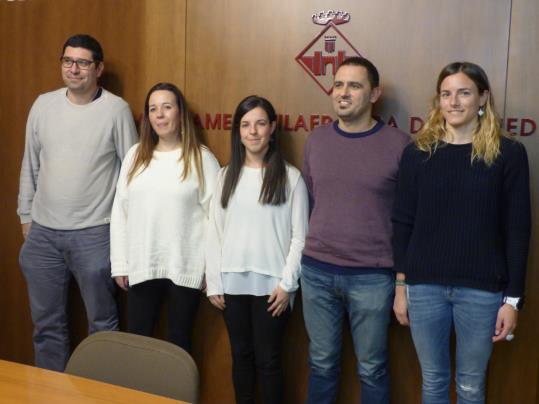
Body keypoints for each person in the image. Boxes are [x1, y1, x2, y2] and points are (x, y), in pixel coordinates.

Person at [392, 61, 530, 404]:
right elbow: (402, 223)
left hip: (481, 291)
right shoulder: (417, 154)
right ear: (438, 101)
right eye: (446, 94)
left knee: (470, 386)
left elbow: (517, 230)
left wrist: (512, 300)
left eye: (464, 93)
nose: (454, 102)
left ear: (482, 98)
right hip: (423, 288)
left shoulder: (508, 154)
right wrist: (400, 286)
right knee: (433, 383)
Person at [17, 34, 138, 371]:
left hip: (95, 235)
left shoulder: (116, 110)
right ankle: (51, 392)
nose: (74, 69)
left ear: (98, 69)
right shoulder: (43, 104)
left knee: (102, 327)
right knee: (46, 328)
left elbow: (131, 175)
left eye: (83, 63)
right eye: (68, 61)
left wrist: (122, 236)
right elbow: (30, 164)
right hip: (43, 234)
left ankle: (102, 393)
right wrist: (26, 217)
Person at [301, 56, 410, 404]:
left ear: (375, 93)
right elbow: (312, 201)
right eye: (338, 84)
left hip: (373, 278)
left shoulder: (399, 145)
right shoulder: (316, 140)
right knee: (321, 364)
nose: (343, 93)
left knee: (372, 368)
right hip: (316, 272)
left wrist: (401, 283)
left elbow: (408, 218)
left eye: (354, 85)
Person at [205, 95, 309, 404]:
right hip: (232, 284)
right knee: (241, 357)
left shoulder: (291, 178)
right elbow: (214, 232)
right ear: (237, 131)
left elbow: (300, 237)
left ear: (272, 128)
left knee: (269, 360)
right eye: (245, 125)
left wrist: (287, 285)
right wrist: (214, 281)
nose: (253, 132)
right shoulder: (225, 176)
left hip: (273, 289)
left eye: (260, 124)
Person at [110, 82, 219, 353]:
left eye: (167, 107)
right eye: (153, 109)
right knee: (137, 342)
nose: (159, 115)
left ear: (180, 113)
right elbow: (120, 211)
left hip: (186, 266)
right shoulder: (135, 156)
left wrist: (212, 269)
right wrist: (120, 264)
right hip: (142, 263)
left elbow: (217, 219)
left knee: (179, 344)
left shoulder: (201, 158)